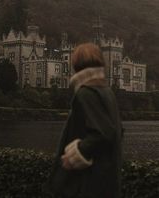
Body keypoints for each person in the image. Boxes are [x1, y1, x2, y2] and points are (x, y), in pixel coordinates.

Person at [47, 43, 122, 198]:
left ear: (76, 63)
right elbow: (117, 131)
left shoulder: (86, 93)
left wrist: (73, 156)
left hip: (87, 184)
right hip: (107, 181)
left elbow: (103, 133)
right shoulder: (107, 92)